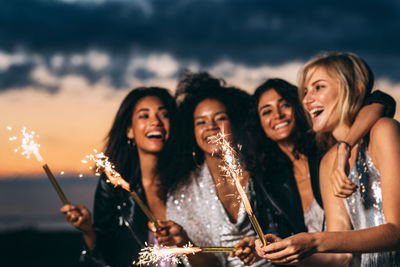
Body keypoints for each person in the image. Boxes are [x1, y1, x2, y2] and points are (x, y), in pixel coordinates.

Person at [255, 52, 400, 266]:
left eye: (318, 87)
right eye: (305, 92)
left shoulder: (383, 130)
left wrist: (315, 240)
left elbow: (397, 231)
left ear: (354, 88)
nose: (306, 100)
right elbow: (340, 256)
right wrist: (286, 251)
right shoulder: (328, 163)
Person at [156, 71, 275, 267]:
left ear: (235, 125)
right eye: (200, 122)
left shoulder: (264, 172)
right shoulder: (181, 194)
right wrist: (186, 242)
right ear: (192, 133)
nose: (210, 126)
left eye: (219, 118)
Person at [60, 87, 178, 266]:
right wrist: (87, 229)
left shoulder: (188, 182)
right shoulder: (113, 186)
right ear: (129, 130)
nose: (156, 121)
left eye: (164, 115)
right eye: (144, 116)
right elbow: (103, 257)